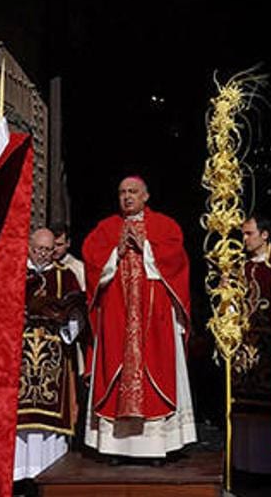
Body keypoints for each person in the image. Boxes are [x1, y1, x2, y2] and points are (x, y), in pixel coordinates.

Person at [82, 176, 196, 458]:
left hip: (153, 314)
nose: (127, 197)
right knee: (114, 369)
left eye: (133, 192)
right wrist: (115, 253)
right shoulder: (106, 228)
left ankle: (159, 446)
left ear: (146, 196)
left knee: (156, 367)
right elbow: (92, 259)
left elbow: (177, 262)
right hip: (117, 314)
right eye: (122, 192)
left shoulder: (165, 226)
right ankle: (114, 446)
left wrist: (147, 248)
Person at [15, 228, 85, 481]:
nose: (43, 255)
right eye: (38, 249)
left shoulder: (65, 275)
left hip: (53, 349)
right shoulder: (15, 271)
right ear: (28, 246)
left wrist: (65, 321)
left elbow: (78, 313)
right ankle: (18, 471)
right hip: (20, 350)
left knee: (51, 414)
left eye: (48, 250)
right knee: (19, 413)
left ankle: (49, 471)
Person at [232, 215, 271, 476]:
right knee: (243, 406)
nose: (244, 239)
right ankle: (244, 465)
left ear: (264, 235)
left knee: (268, 407)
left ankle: (270, 469)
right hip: (243, 346)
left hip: (269, 345)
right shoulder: (239, 268)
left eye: (249, 234)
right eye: (243, 234)